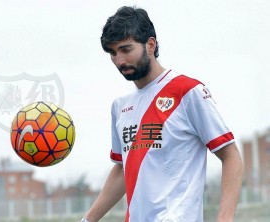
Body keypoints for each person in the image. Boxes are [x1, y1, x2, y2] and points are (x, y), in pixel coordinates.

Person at [81, 6, 243, 222]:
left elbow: (230, 155)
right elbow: (122, 169)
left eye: (126, 49)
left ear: (150, 45)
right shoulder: (120, 106)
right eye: (113, 53)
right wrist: (88, 219)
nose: (119, 61)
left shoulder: (188, 92)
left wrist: (225, 217)